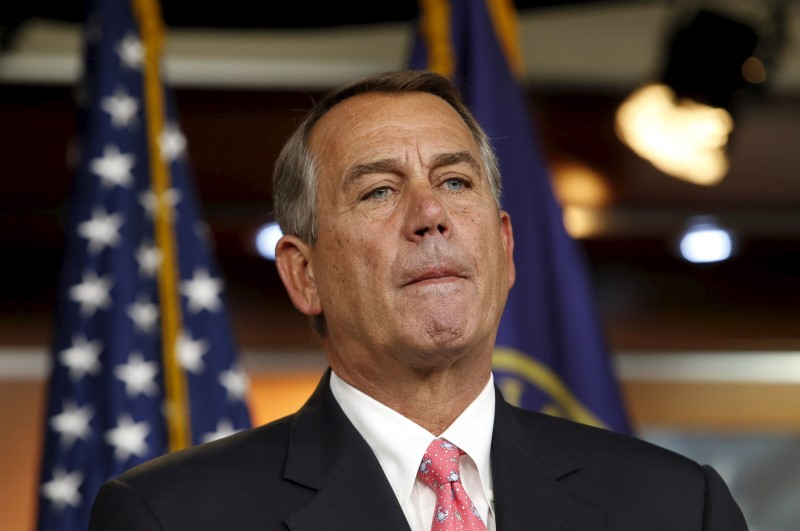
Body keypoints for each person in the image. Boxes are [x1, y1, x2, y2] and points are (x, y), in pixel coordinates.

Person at [89, 70, 748, 530]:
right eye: (378, 191)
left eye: (456, 181)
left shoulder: (679, 507)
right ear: (303, 274)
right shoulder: (170, 516)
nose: (430, 213)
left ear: (504, 247)